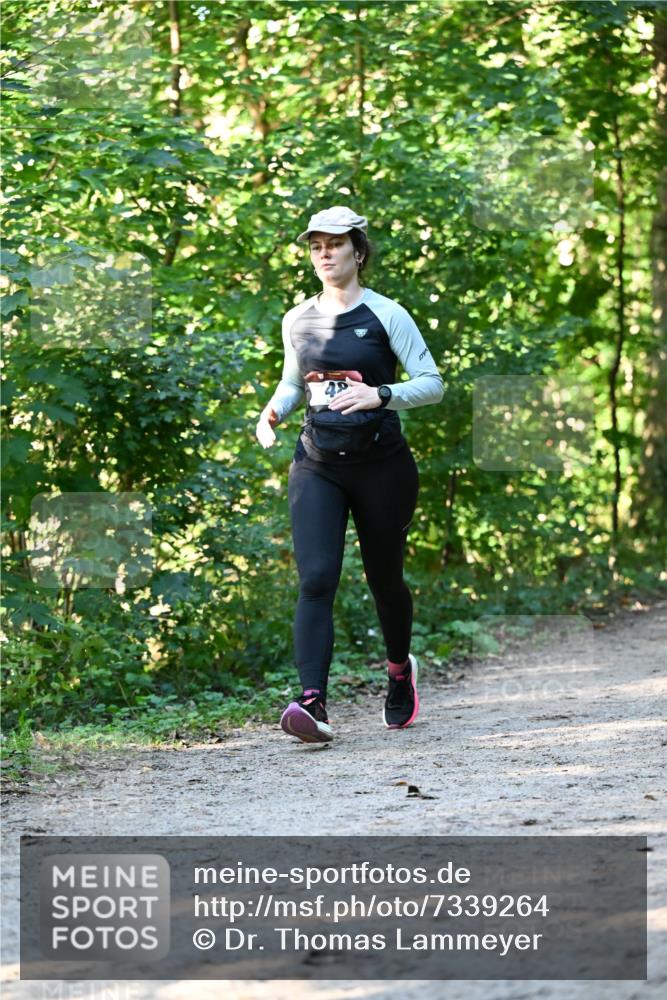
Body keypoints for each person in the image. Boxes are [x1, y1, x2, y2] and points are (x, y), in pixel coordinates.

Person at [256, 206, 444, 744]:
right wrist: (272, 412)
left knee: (385, 580)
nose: (323, 253)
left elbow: (432, 383)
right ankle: (313, 702)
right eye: (315, 245)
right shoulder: (297, 319)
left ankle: (399, 672)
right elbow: (294, 385)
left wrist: (382, 394)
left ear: (357, 251)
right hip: (317, 464)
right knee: (316, 579)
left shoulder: (389, 315)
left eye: (334, 244)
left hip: (382, 467)